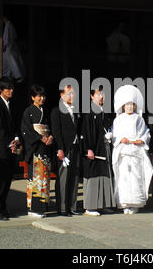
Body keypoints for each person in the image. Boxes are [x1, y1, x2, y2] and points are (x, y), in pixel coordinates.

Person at [111, 85, 153, 215]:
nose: (129, 107)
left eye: (131, 104)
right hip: (123, 152)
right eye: (127, 104)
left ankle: (136, 204)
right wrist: (119, 139)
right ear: (123, 106)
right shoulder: (118, 119)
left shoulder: (138, 119)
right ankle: (124, 203)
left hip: (135, 151)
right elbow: (114, 134)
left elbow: (145, 132)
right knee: (123, 178)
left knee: (136, 177)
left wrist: (141, 140)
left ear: (135, 106)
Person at [0, 76, 21, 220]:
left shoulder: (12, 105)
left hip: (11, 147)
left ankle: (3, 207)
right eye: (8, 88)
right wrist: (10, 143)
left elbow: (16, 126)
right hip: (1, 148)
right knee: (0, 180)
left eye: (12, 87)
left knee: (8, 180)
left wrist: (16, 140)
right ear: (1, 90)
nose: (11, 90)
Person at [81, 86, 116, 216]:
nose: (101, 96)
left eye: (103, 94)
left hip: (104, 147)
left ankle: (103, 204)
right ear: (91, 96)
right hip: (93, 148)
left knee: (105, 175)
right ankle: (90, 207)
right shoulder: (88, 112)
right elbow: (85, 131)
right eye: (98, 94)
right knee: (93, 176)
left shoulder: (105, 112)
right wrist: (88, 148)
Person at [21, 85, 54, 218]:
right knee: (35, 179)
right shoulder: (28, 111)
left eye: (43, 96)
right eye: (38, 96)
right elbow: (26, 130)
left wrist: (50, 136)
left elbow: (49, 127)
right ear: (33, 97)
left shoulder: (45, 111)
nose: (41, 98)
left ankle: (42, 207)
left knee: (44, 179)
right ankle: (33, 208)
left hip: (44, 147)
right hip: (35, 148)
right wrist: (40, 137)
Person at [51, 85, 82, 217]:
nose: (72, 96)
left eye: (73, 93)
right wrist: (60, 149)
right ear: (61, 95)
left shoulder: (76, 110)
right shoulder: (57, 111)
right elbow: (56, 131)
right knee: (63, 178)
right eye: (69, 93)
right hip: (64, 148)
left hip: (75, 147)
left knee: (74, 177)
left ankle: (72, 206)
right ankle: (62, 208)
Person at [2, 16, 26, 83]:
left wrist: (5, 45)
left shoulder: (8, 25)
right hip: (10, 48)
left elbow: (7, 37)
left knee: (10, 64)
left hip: (8, 48)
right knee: (10, 65)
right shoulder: (9, 25)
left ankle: (13, 78)